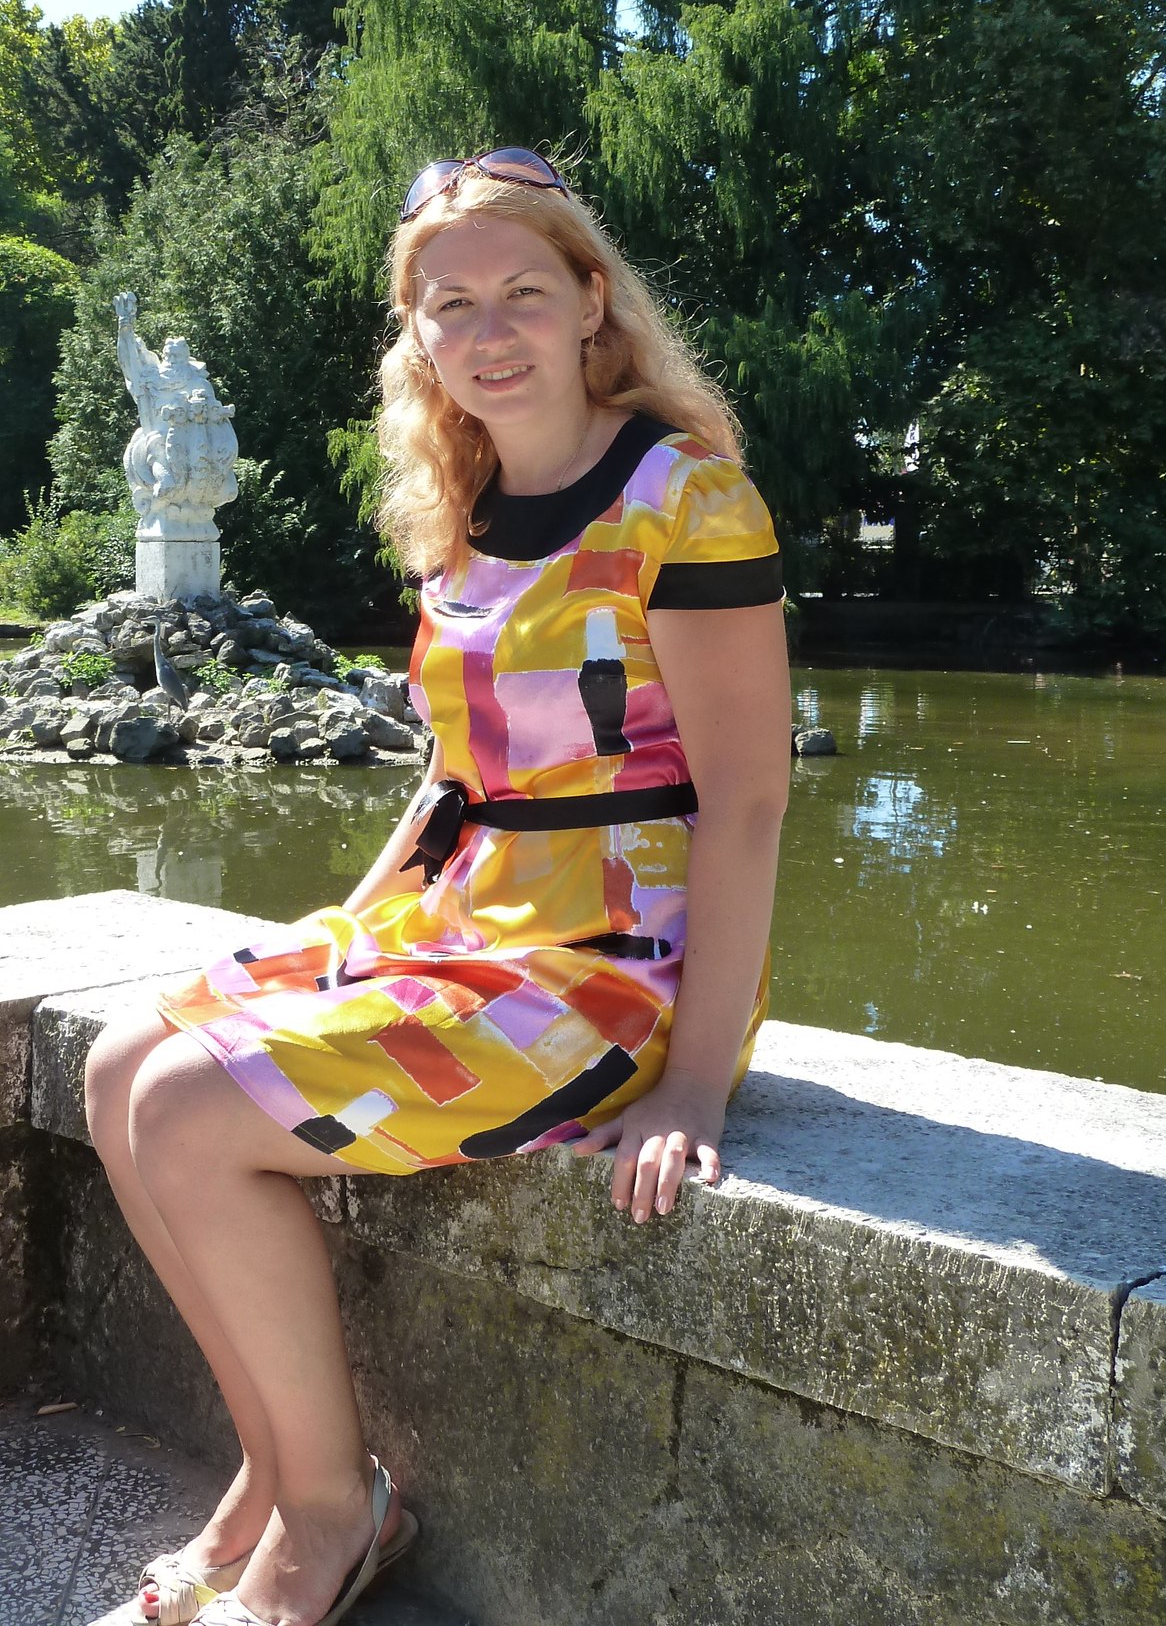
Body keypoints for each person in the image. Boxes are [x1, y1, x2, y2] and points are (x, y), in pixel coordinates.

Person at [83, 148, 792, 1626]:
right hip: (463, 918)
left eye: (522, 291)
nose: (489, 331)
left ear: (591, 301)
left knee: (191, 1111)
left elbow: (746, 803)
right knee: (118, 1065)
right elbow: (458, 775)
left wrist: (696, 1083)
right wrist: (347, 925)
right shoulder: (461, 508)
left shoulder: (686, 498)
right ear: (416, 335)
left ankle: (332, 1516)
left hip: (614, 960)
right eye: (449, 304)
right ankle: (275, 1469)